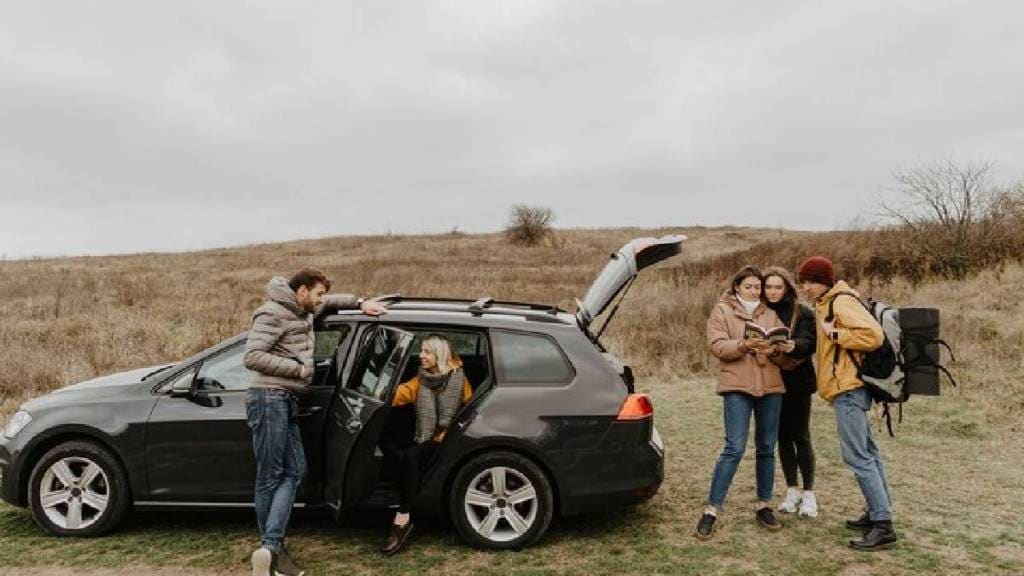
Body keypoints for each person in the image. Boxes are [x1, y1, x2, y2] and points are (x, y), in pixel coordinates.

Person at [244, 269, 387, 576]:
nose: (322, 300)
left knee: (296, 471)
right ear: (303, 291)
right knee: (271, 475)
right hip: (268, 398)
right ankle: (272, 549)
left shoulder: (302, 309)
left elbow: (331, 303)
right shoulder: (272, 313)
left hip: (285, 400)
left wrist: (360, 303)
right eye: (318, 294)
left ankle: (270, 551)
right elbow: (252, 355)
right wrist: (298, 370)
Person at [796, 256, 897, 551]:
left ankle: (883, 526)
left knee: (858, 457)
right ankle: (878, 512)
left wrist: (836, 334)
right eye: (803, 281)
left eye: (811, 281)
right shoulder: (831, 301)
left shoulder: (840, 302)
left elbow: (873, 335)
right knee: (868, 453)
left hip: (849, 389)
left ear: (825, 280)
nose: (806, 287)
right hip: (847, 388)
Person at [695, 265, 787, 540]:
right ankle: (712, 510)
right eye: (749, 286)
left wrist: (777, 349)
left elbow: (781, 355)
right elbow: (717, 346)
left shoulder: (771, 314)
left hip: (770, 386)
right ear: (737, 287)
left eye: (758, 287)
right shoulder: (722, 311)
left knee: (767, 447)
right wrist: (745, 345)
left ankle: (763, 505)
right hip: (736, 385)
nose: (755, 291)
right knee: (734, 447)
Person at [382, 334, 473, 555]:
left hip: (453, 439)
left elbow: (471, 409)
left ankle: (403, 518)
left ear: (439, 355)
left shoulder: (459, 379)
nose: (421, 356)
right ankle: (410, 515)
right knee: (399, 449)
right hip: (427, 438)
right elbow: (392, 397)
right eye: (421, 351)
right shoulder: (419, 381)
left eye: (426, 352)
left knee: (411, 457)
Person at [763, 266, 819, 518]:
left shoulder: (802, 312)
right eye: (768, 287)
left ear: (786, 288)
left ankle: (809, 494)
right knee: (782, 437)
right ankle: (792, 490)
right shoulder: (760, 312)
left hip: (798, 381)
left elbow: (810, 343)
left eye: (778, 287)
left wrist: (792, 344)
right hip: (770, 381)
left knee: (801, 435)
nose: (773, 292)